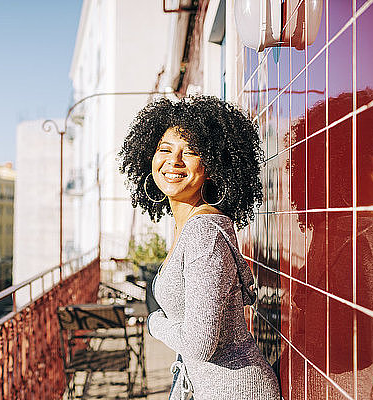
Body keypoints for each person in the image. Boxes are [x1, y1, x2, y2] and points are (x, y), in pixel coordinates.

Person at [118, 96, 280, 399]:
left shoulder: (204, 234)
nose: (174, 161)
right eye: (164, 149)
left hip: (235, 390)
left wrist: (153, 322)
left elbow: (198, 344)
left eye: (191, 152)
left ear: (212, 166)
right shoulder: (186, 225)